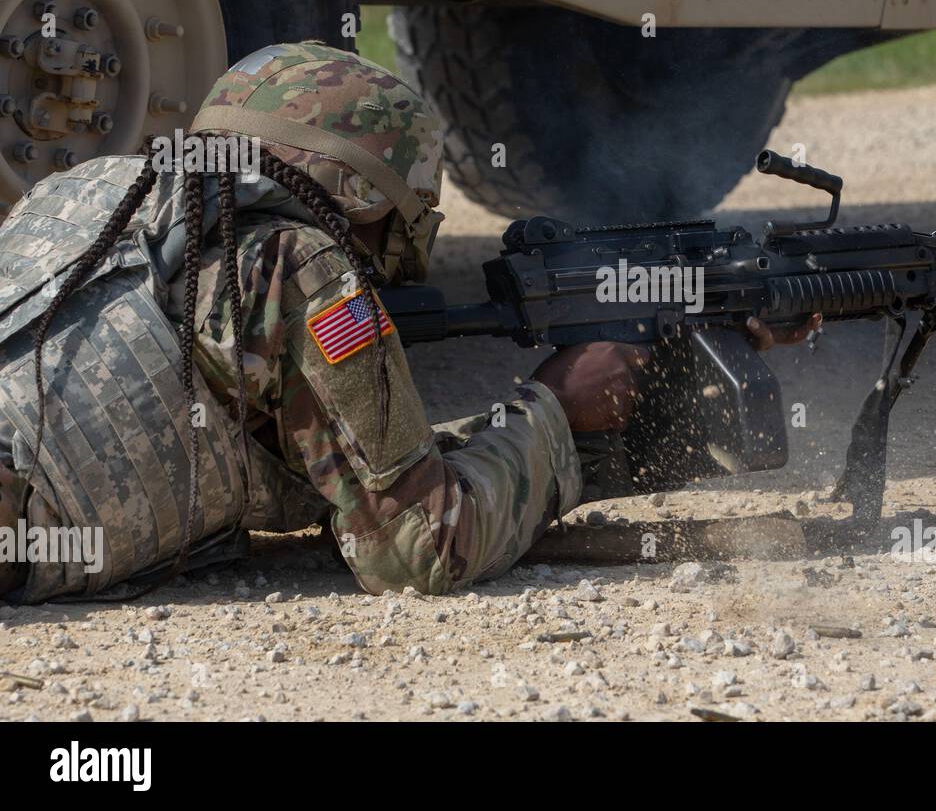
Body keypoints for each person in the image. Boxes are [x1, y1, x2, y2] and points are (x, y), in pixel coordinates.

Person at [0, 42, 815, 603]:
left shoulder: (93, 191)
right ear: (359, 192)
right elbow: (423, 548)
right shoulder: (295, 265)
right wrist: (556, 411)